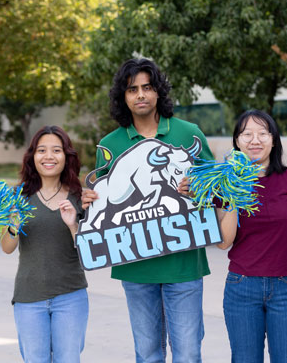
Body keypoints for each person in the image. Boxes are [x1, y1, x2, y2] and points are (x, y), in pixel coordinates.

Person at [81, 58, 215, 362]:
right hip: (135, 266)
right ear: (123, 97)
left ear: (158, 92)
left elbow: (217, 191)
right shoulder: (110, 143)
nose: (140, 95)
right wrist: (88, 201)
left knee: (188, 354)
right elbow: (102, 202)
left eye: (147, 87)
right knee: (147, 355)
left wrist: (201, 190)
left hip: (184, 265)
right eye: (132, 90)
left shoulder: (189, 134)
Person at [215, 110, 287, 362]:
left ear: (274, 140)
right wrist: (233, 190)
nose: (255, 140)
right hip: (241, 286)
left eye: (262, 133)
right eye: (247, 134)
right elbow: (224, 242)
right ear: (237, 141)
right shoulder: (224, 183)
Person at [1, 125, 88, 363]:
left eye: (56, 150)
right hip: (29, 298)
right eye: (42, 150)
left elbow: (89, 254)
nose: (49, 156)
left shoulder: (81, 196)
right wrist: (14, 223)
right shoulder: (18, 196)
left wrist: (72, 224)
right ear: (33, 157)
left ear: (66, 156)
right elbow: (7, 247)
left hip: (70, 296)